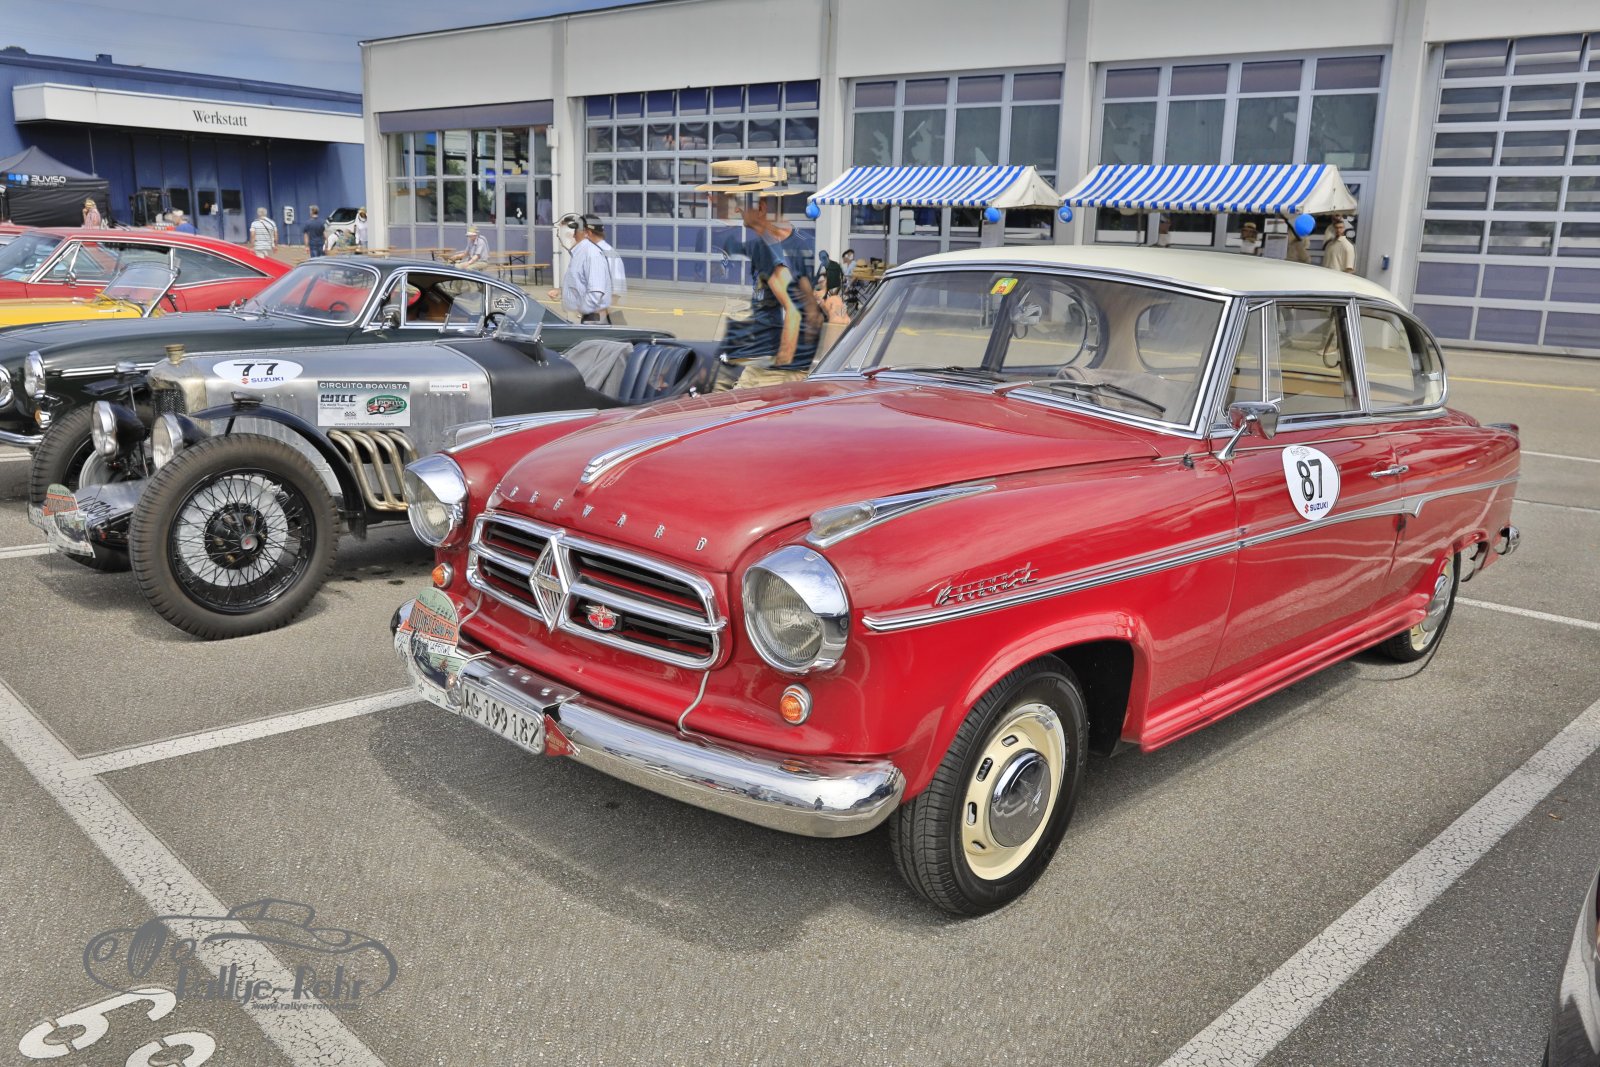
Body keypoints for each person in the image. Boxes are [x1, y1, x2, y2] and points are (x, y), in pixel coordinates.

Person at [547, 214, 610, 323]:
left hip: (592, 320)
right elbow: (581, 283)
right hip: (585, 318)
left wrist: (579, 311)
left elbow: (596, 292)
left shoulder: (592, 255)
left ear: (587, 233)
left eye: (576, 231)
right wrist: (562, 292)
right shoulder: (579, 254)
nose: (573, 235)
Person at [589, 221, 627, 324]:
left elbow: (616, 291)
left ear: (589, 233)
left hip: (601, 318)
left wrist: (599, 316)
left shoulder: (607, 254)